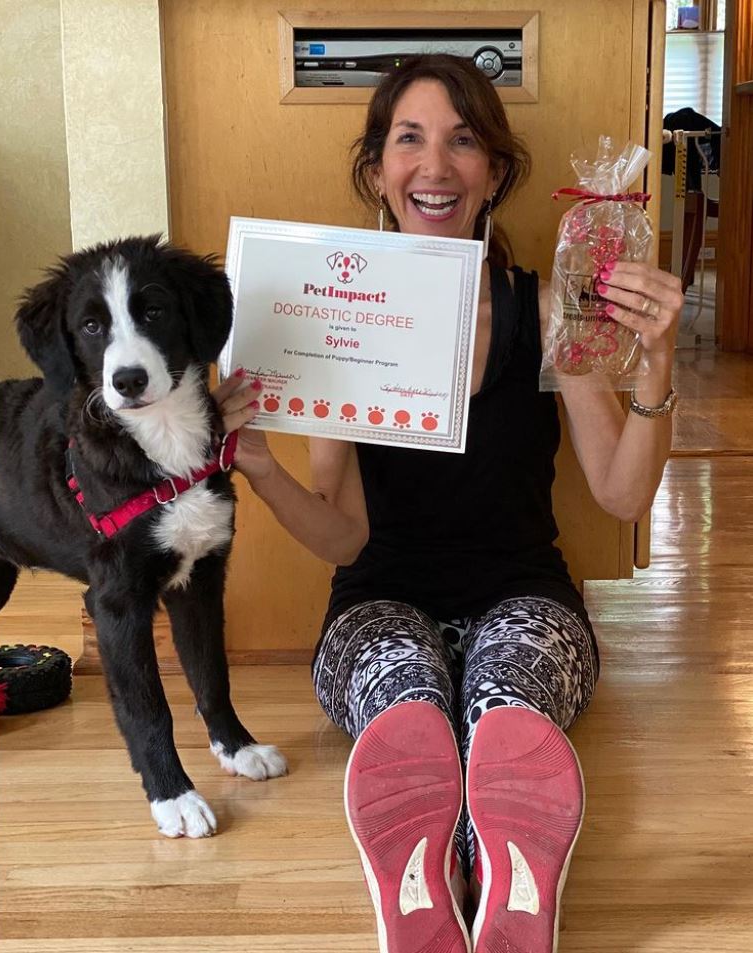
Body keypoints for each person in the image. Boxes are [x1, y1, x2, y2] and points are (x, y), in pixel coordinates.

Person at [216, 54, 683, 953]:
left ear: (496, 173)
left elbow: (621, 490)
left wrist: (658, 374)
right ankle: (449, 871)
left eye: (463, 141)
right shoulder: (334, 317)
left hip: (527, 598)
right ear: (376, 170)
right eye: (409, 140)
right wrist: (260, 466)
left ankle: (486, 868)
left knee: (505, 703)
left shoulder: (547, 310)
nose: (435, 166)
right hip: (377, 600)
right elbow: (344, 532)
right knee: (411, 706)